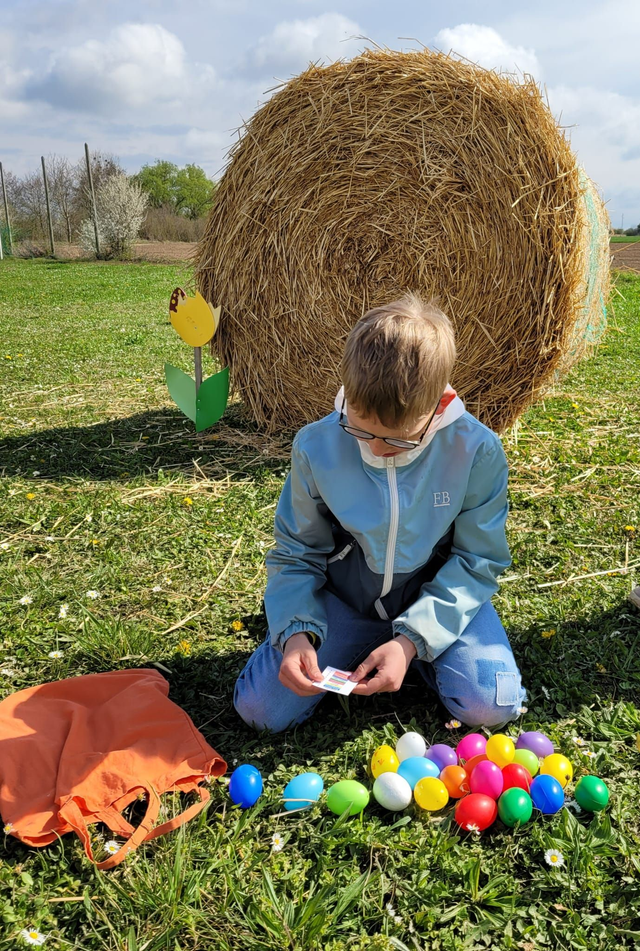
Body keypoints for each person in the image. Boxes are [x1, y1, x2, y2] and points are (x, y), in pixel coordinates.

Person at [234, 292, 527, 732]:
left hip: (434, 598)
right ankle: (354, 641)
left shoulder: (476, 451)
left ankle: (418, 651)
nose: (374, 449)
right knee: (262, 712)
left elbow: (477, 561)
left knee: (492, 705)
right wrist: (297, 632)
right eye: (359, 429)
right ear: (348, 393)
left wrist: (412, 641)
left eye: (398, 441)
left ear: (440, 408)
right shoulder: (316, 446)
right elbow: (296, 552)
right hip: (345, 603)